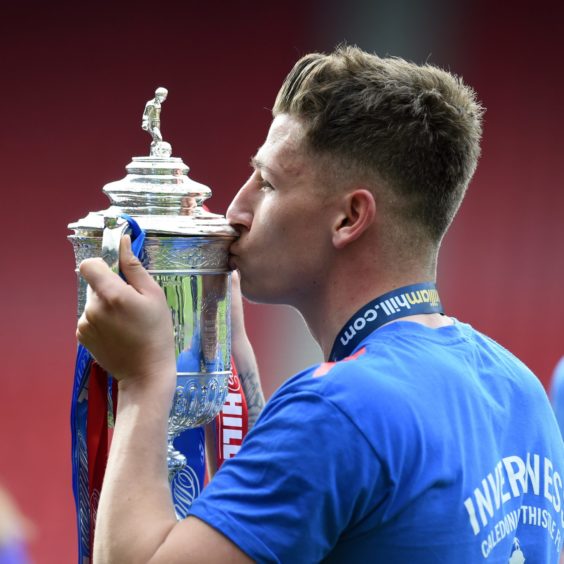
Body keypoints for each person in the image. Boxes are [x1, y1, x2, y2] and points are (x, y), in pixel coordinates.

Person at [77, 46, 564, 562]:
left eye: (267, 182)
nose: (236, 211)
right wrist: (258, 413)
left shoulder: (336, 410)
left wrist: (143, 381)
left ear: (349, 218)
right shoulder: (522, 389)